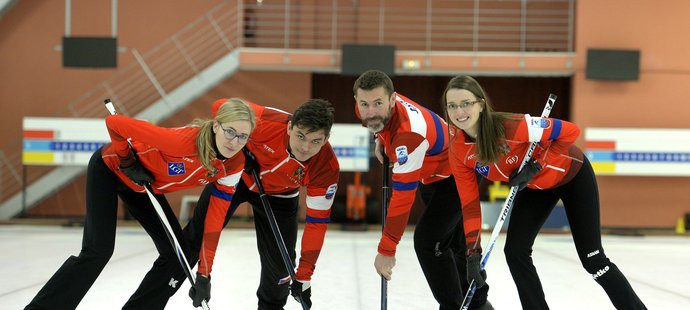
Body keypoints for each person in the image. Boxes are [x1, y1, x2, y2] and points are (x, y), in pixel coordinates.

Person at [25, 98, 256, 310]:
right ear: (216, 125)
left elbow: (213, 222)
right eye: (230, 132)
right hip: (111, 169)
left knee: (178, 255)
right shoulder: (182, 142)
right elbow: (114, 122)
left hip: (144, 185)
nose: (235, 142)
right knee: (98, 251)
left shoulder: (234, 164)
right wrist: (126, 160)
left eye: (243, 136)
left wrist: (205, 275)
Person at [443, 75, 647, 309]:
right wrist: (472, 252)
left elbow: (570, 131)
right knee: (516, 252)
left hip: (572, 176)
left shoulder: (514, 126)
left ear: (480, 104)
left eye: (465, 103)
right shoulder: (458, 150)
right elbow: (469, 204)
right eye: (452, 105)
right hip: (535, 187)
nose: (459, 111)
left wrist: (538, 164)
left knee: (593, 260)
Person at [123, 98, 340, 309]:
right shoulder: (268, 122)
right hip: (237, 179)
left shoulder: (326, 167)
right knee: (190, 245)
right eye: (300, 136)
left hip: (281, 196)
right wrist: (244, 151)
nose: (304, 147)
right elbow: (221, 105)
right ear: (289, 127)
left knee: (281, 268)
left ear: (327, 138)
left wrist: (305, 275)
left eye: (315, 141)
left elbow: (317, 223)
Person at [353, 70, 493, 310]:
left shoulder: (410, 134)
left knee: (428, 241)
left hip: (457, 173)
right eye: (364, 104)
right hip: (430, 176)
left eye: (378, 103)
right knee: (455, 242)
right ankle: (479, 303)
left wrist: (387, 249)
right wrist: (380, 138)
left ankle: (455, 306)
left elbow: (403, 197)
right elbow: (378, 122)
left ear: (393, 100)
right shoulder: (370, 109)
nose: (371, 111)